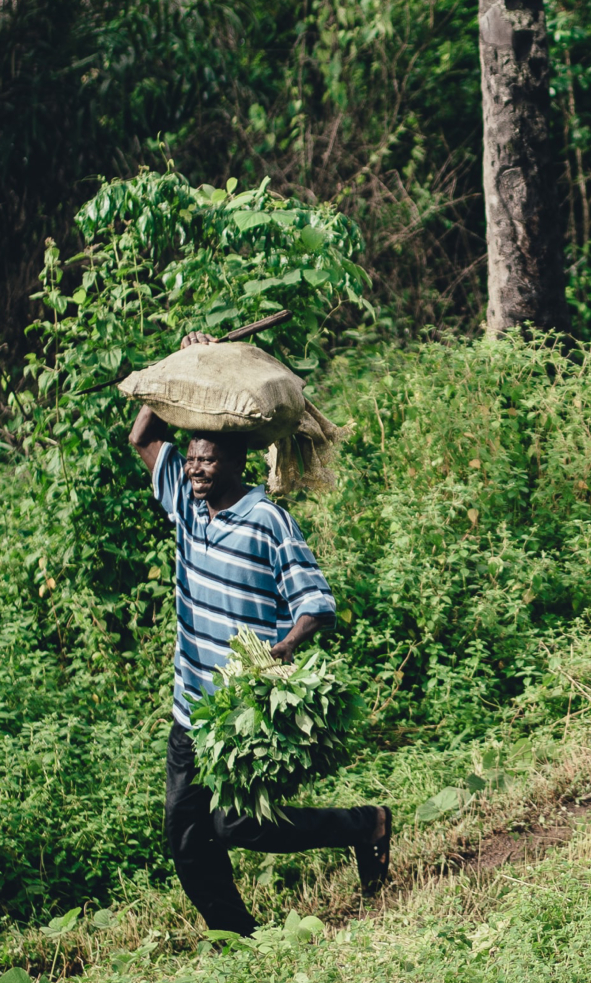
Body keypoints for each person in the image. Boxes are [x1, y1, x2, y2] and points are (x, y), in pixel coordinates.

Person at [128, 331, 391, 937]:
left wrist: (280, 651)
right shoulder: (186, 504)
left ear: (236, 463)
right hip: (191, 710)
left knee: (239, 827)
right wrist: (189, 361)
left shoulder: (269, 521)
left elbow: (315, 606)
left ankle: (365, 825)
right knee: (187, 838)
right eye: (191, 457)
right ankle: (243, 942)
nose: (194, 467)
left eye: (207, 459)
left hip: (242, 714)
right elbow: (145, 436)